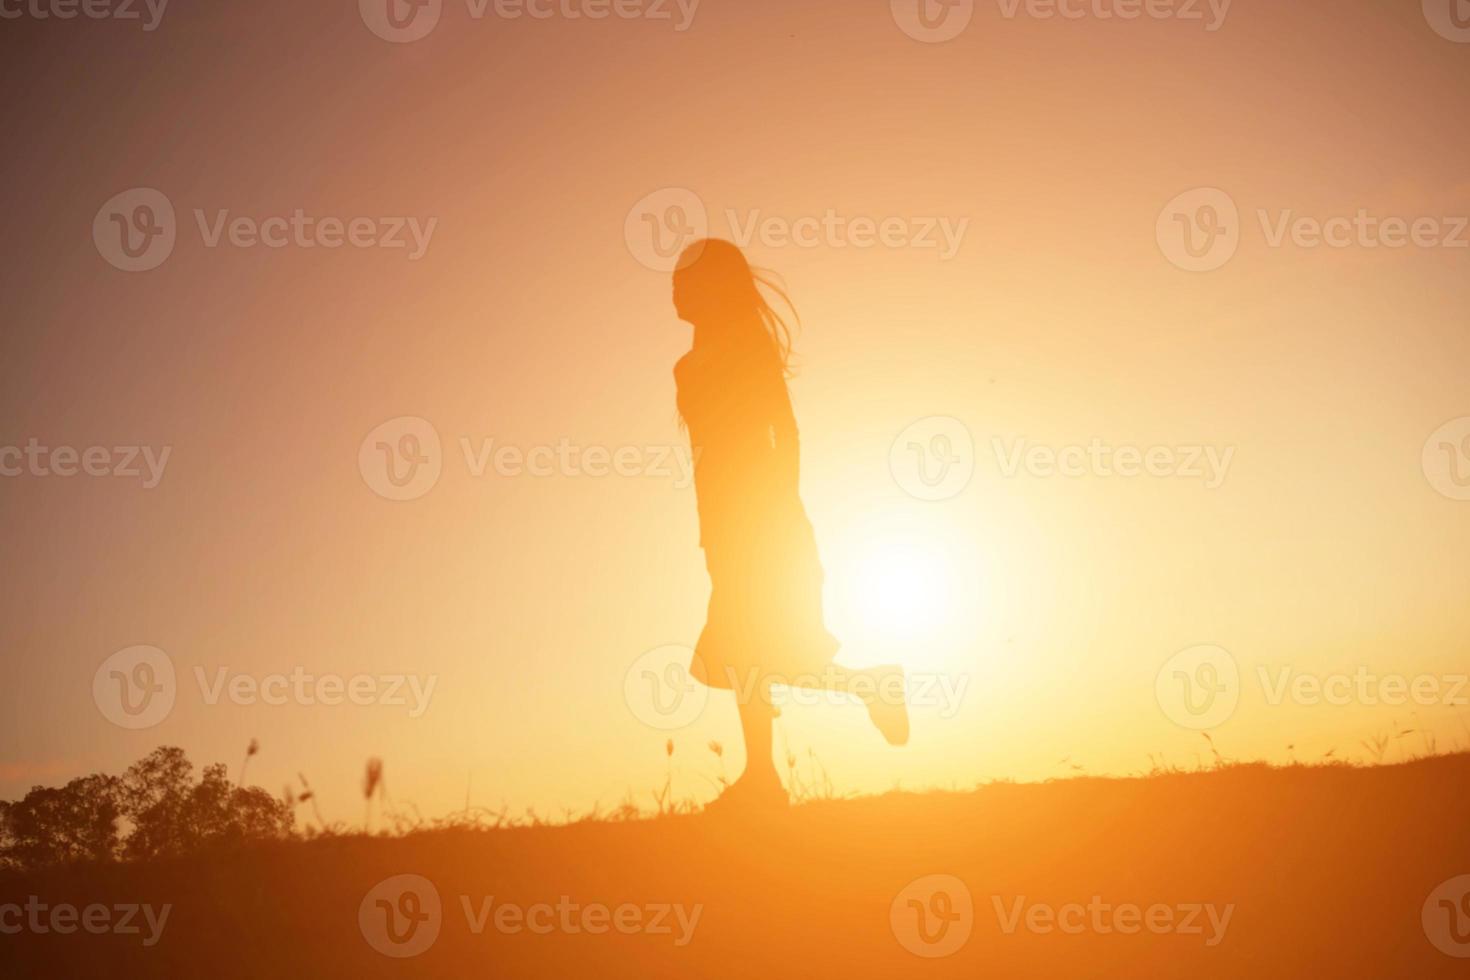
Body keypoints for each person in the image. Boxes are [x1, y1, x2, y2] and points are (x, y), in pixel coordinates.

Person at [670, 238, 909, 813]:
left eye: (685, 278)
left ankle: (762, 780)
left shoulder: (747, 346)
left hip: (765, 517)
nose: (675, 289)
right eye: (673, 280)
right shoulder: (686, 365)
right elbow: (704, 452)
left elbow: (785, 429)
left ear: (712, 286)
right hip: (724, 522)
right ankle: (867, 687)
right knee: (755, 654)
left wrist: (776, 504)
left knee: (750, 652)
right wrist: (713, 528)